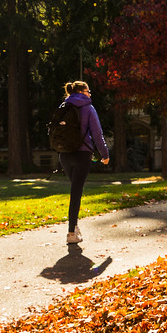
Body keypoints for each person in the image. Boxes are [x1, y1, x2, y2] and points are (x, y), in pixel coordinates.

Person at [57, 81, 109, 245]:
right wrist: (105, 154)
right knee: (76, 192)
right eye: (88, 91)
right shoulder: (88, 108)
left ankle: (75, 227)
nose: (90, 94)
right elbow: (97, 134)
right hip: (82, 154)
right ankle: (71, 232)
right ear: (82, 91)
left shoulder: (63, 106)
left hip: (64, 154)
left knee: (75, 189)